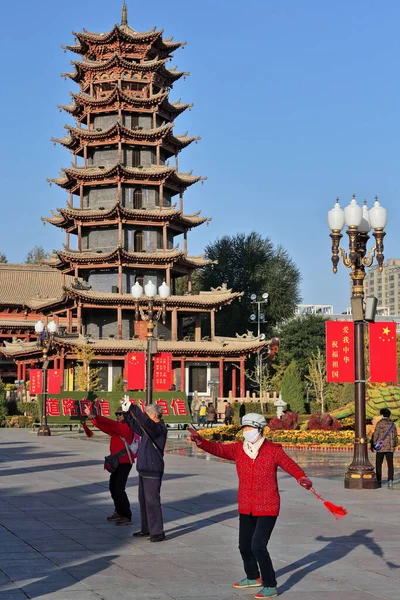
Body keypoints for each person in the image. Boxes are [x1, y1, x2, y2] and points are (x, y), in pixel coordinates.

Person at [189, 413, 312, 599]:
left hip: (268, 505)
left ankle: (270, 585)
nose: (245, 432)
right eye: (244, 429)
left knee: (258, 545)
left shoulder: (273, 450)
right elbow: (218, 449)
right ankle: (253, 577)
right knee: (244, 545)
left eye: (248, 428)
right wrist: (201, 441)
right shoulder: (239, 449)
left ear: (259, 429)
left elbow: (291, 465)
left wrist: (301, 476)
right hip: (247, 505)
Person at [83, 405, 139, 526]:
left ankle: (126, 515)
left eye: (120, 414)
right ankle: (119, 511)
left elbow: (111, 424)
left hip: (124, 462)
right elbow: (105, 427)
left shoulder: (127, 427)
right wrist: (92, 419)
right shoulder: (117, 428)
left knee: (119, 488)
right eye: (117, 414)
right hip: (116, 462)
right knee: (113, 487)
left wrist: (95, 416)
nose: (118, 416)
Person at [121, 400, 167, 542]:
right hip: (144, 468)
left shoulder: (158, 428)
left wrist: (134, 408)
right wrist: (126, 413)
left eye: (147, 414)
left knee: (152, 501)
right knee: (144, 501)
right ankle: (147, 528)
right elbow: (136, 426)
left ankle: (157, 532)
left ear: (153, 415)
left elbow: (145, 423)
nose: (145, 417)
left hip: (152, 469)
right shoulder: (149, 429)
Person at [372, 408, 398, 488]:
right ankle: (390, 480)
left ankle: (379, 479)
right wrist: (394, 445)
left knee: (378, 463)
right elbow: (395, 436)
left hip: (381, 447)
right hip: (390, 448)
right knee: (390, 464)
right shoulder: (392, 424)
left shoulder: (380, 423)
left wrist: (374, 443)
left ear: (382, 415)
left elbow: (376, 434)